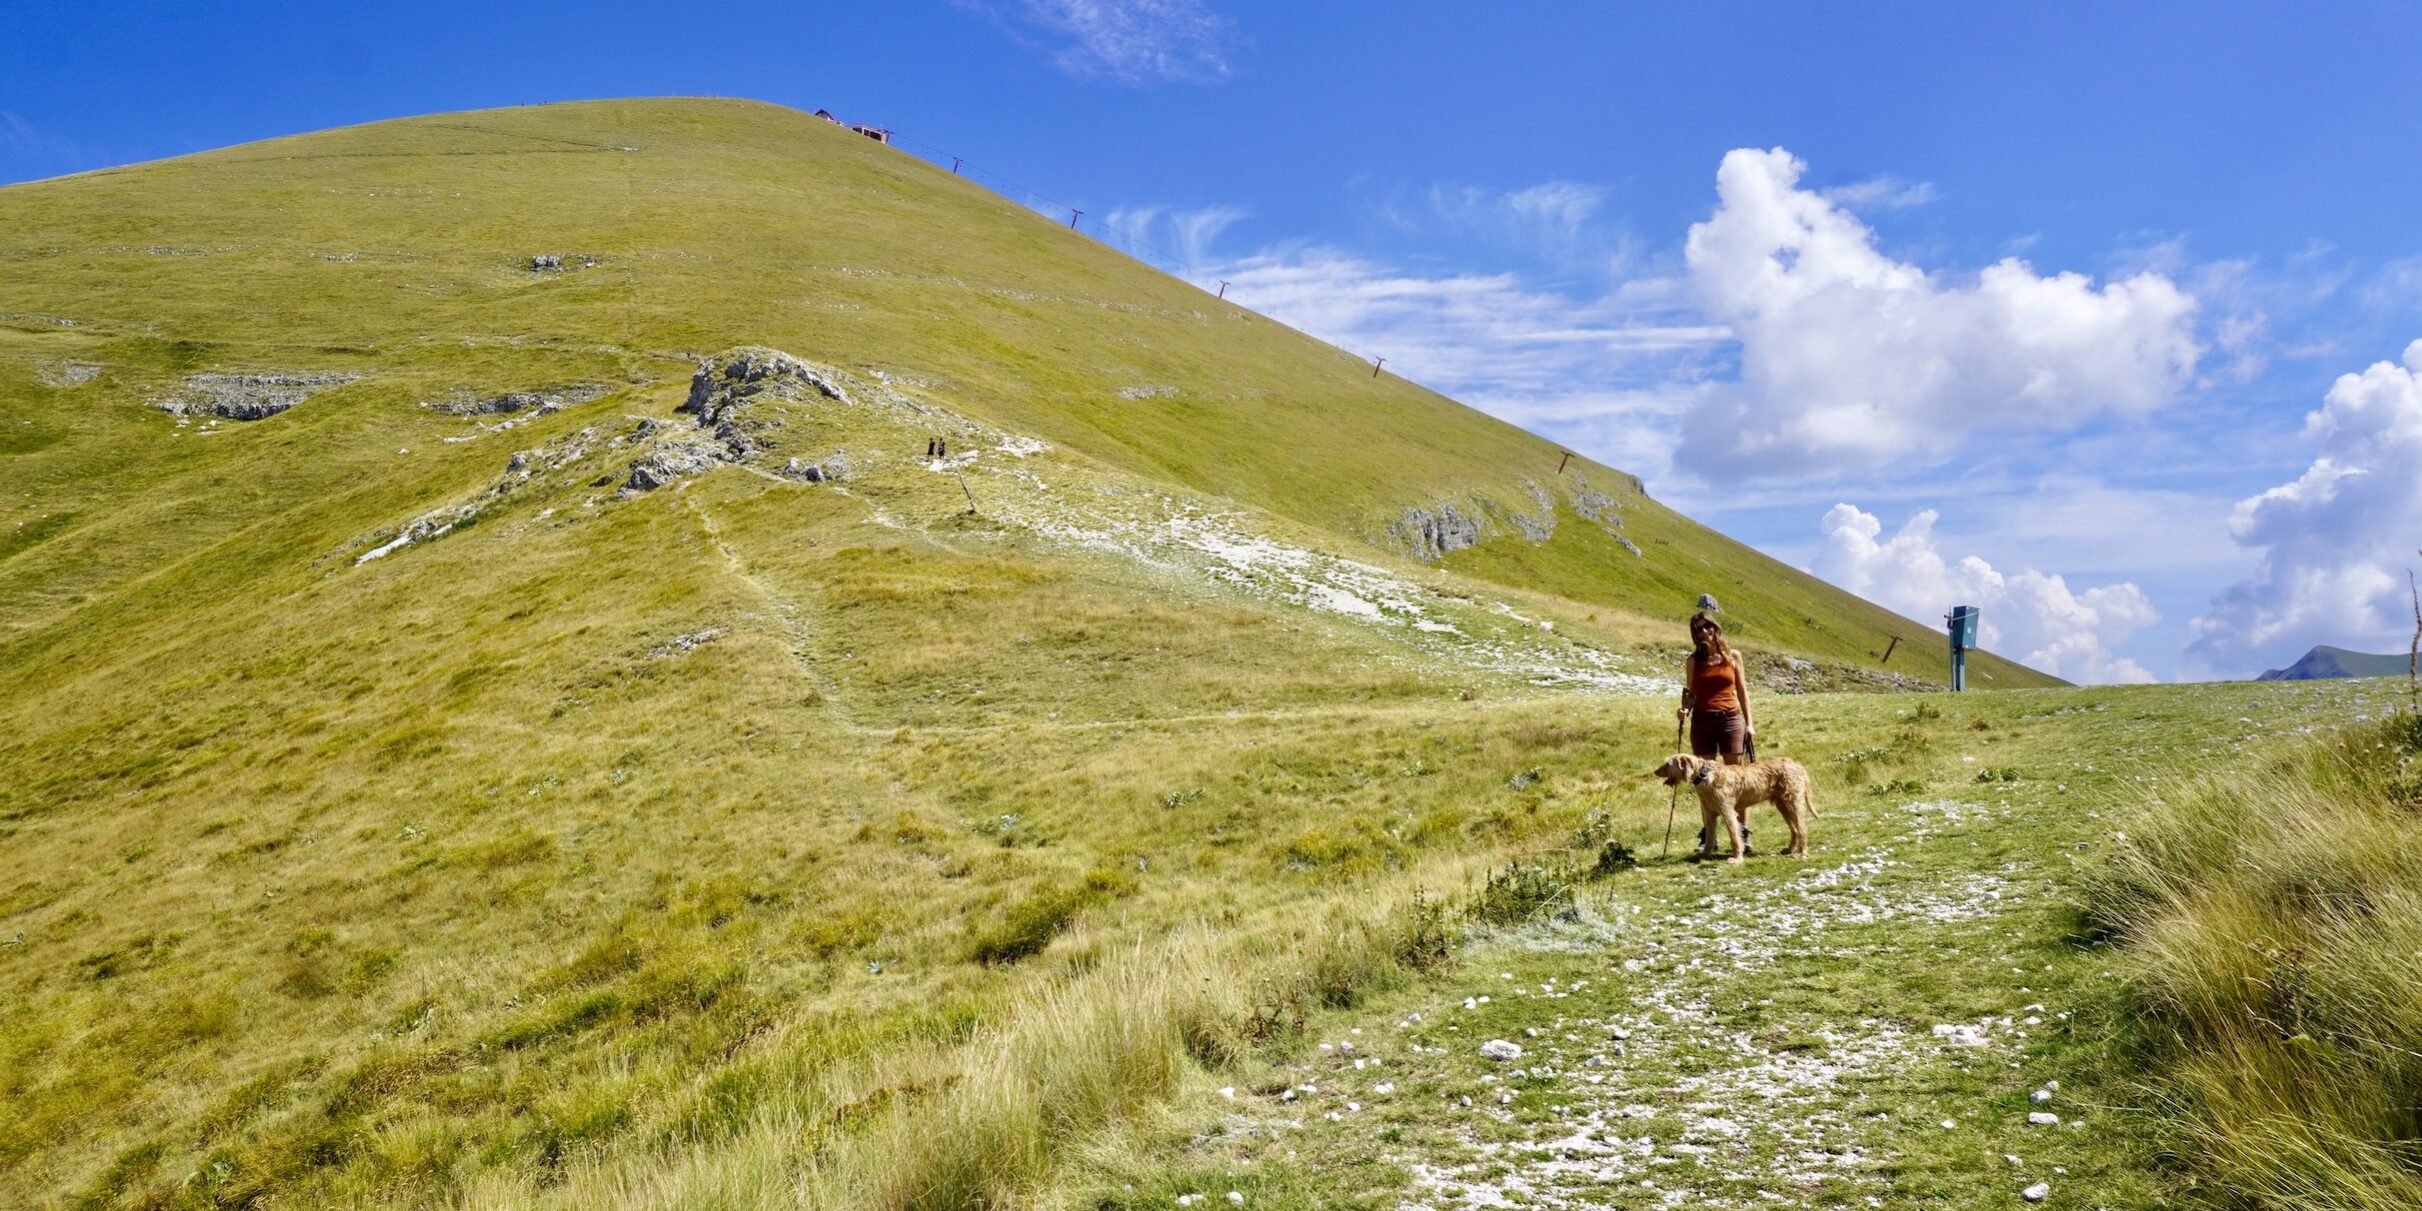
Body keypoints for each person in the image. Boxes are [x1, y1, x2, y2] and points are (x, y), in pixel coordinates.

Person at [1676, 611, 1755, 853]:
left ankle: (1743, 833)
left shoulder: (1733, 657)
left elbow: (1742, 691)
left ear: (1714, 628)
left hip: (1730, 719)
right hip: (1702, 722)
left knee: (1738, 777)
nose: (1702, 632)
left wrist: (1749, 723)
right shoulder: (1693, 661)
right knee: (1704, 780)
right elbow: (1691, 694)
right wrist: (1684, 710)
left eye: (1705, 627)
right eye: (1697, 629)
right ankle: (1709, 838)